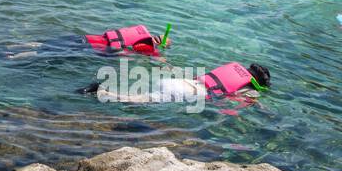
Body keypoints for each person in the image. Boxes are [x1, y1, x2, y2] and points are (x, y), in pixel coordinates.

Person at [85, 62, 270, 104]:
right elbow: (233, 104)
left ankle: (102, 90)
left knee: (137, 94)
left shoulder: (231, 70)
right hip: (185, 93)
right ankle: (101, 92)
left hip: (178, 82)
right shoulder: (248, 90)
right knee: (133, 100)